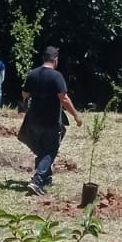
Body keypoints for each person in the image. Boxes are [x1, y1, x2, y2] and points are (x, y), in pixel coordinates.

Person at [21, 46, 82, 197]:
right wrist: (76, 115)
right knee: (50, 150)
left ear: (43, 59)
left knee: (42, 149)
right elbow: (64, 98)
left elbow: (25, 94)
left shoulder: (33, 74)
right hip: (50, 121)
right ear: (55, 60)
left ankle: (46, 178)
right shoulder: (56, 76)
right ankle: (37, 180)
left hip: (33, 120)